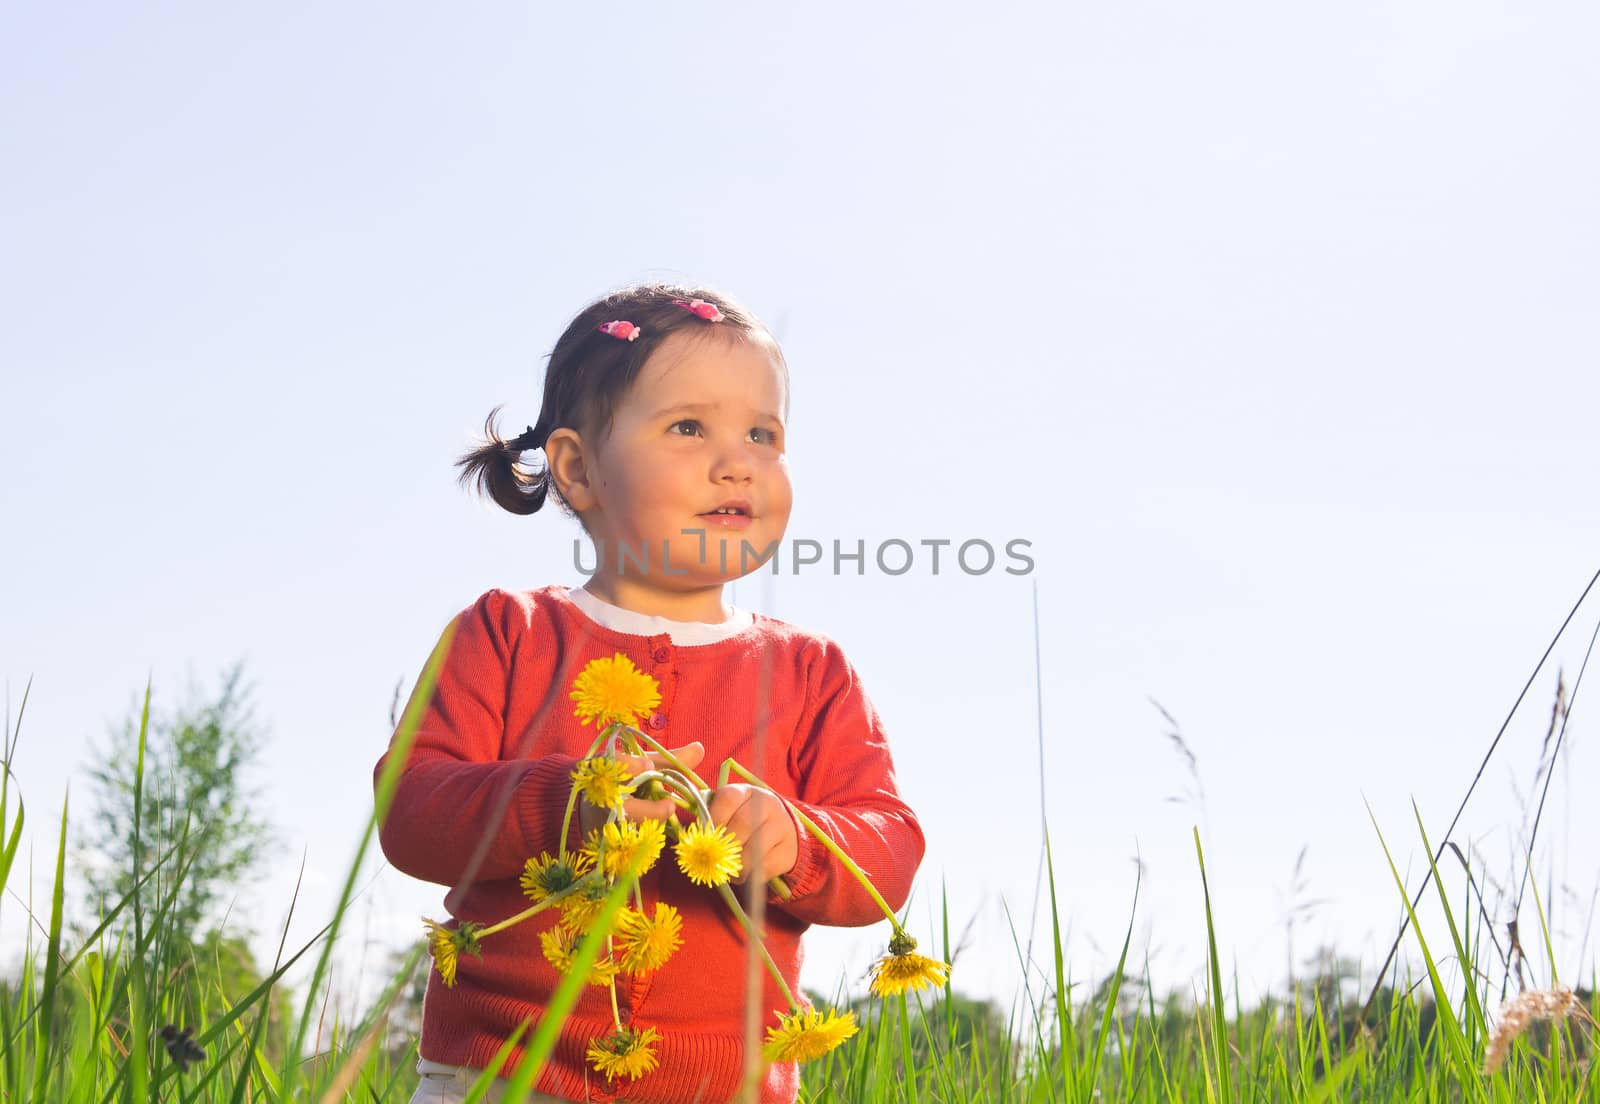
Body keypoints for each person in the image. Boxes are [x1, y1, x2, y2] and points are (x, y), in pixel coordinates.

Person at [375, 283, 925, 1104]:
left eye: (763, 433)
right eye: (688, 427)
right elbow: (412, 812)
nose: (737, 459)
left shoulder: (813, 673)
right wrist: (566, 802)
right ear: (578, 467)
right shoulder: (507, 634)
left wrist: (797, 841)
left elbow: (889, 843)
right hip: (502, 1071)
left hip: (730, 1085)